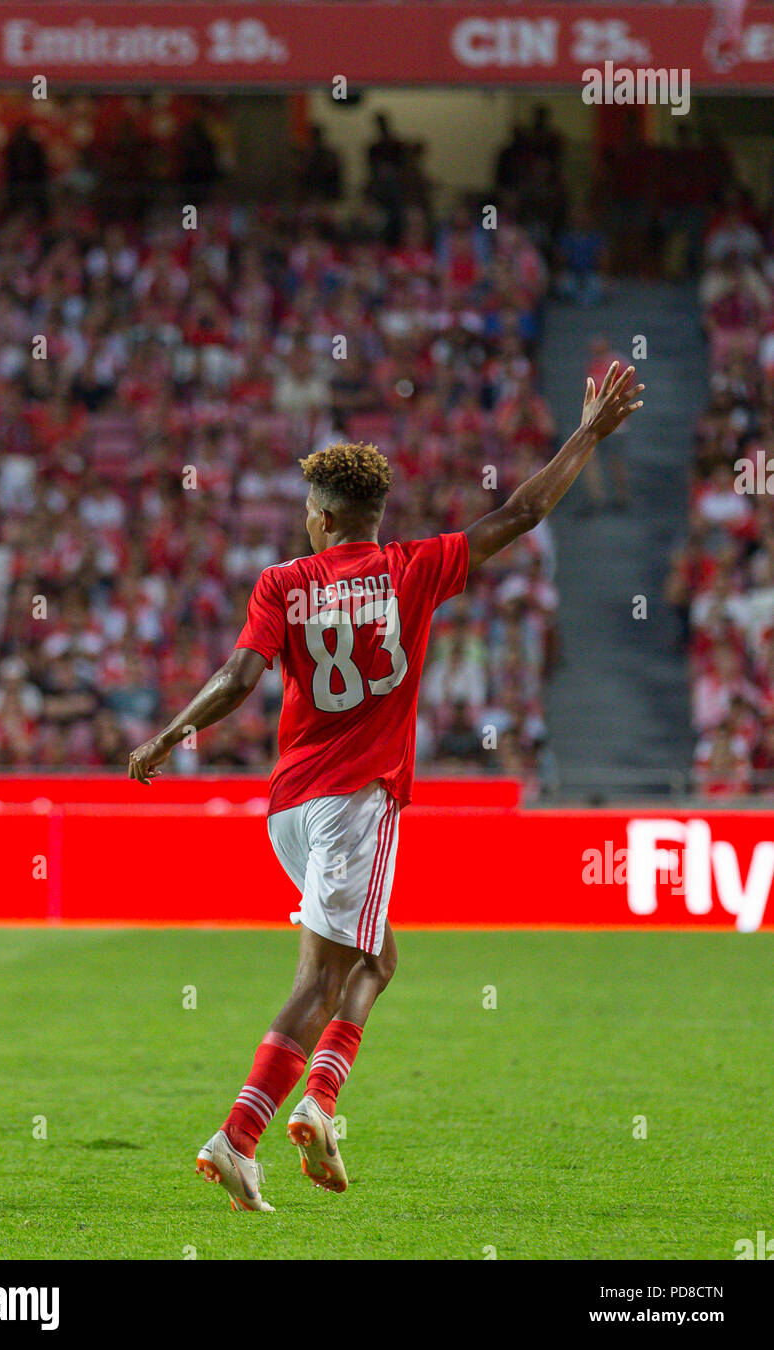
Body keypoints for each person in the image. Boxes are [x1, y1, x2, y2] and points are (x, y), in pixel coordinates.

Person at [128, 362, 644, 1212]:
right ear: (371, 517)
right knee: (321, 980)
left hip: (289, 807)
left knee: (377, 957)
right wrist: (586, 434)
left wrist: (170, 733)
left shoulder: (281, 584)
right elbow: (521, 513)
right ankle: (238, 1137)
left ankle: (322, 1108)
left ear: (323, 518)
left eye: (307, 510)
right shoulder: (413, 567)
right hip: (356, 804)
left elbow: (238, 675)